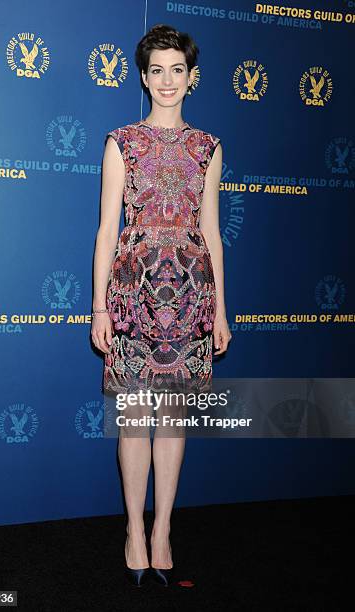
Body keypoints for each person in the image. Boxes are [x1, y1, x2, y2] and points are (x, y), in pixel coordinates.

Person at [91, 24, 231, 587]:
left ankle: (163, 530)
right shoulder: (120, 141)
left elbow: (213, 232)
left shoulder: (208, 147)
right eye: (156, 70)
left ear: (192, 78)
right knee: (134, 418)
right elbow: (106, 232)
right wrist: (100, 307)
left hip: (192, 295)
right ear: (144, 78)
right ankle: (132, 528)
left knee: (172, 418)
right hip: (131, 293)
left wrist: (220, 309)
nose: (167, 80)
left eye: (177, 69)